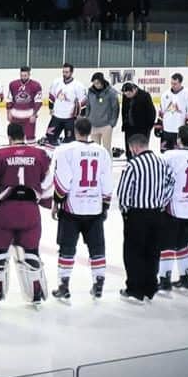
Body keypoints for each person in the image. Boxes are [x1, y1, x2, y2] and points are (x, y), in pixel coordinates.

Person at [0, 123, 53, 306]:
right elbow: (47, 185)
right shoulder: (40, 154)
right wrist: (45, 202)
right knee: (31, 253)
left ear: (8, 137)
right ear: (23, 135)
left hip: (4, 212)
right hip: (30, 212)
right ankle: (36, 290)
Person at [51, 117, 114, 300]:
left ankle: (64, 286)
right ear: (89, 131)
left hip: (72, 208)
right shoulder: (101, 151)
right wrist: (105, 205)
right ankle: (99, 283)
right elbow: (107, 182)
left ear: (76, 130)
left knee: (67, 248)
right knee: (97, 248)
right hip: (94, 208)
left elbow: (62, 182)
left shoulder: (65, 150)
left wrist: (57, 202)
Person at [117, 134, 174, 303]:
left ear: (133, 147)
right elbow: (171, 182)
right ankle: (150, 287)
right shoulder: (162, 162)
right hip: (157, 214)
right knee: (153, 251)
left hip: (137, 215)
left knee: (133, 252)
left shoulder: (133, 165)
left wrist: (126, 211)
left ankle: (135, 289)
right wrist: (162, 202)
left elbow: (123, 193)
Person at [157, 125, 188, 292]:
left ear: (178, 140)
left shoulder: (170, 155)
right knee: (183, 244)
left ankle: (164, 278)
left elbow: (160, 174)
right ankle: (186, 278)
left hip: (174, 205)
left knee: (167, 244)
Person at [45, 63, 87, 151]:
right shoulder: (56, 82)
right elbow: (51, 96)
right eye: (63, 72)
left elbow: (83, 102)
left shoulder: (78, 85)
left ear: (72, 72)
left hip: (70, 118)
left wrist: (81, 116)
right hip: (56, 116)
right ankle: (50, 159)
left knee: (70, 142)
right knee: (50, 138)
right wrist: (51, 108)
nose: (64, 74)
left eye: (67, 72)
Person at [156, 72, 188, 152]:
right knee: (165, 153)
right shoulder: (165, 94)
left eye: (175, 84)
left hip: (180, 132)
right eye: (171, 83)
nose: (173, 85)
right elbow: (161, 112)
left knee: (179, 154)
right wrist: (158, 126)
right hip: (166, 131)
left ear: (180, 83)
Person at [120, 82, 156, 160]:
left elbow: (151, 112)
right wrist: (124, 123)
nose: (127, 96)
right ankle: (130, 161)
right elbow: (124, 110)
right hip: (129, 127)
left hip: (142, 129)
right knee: (129, 148)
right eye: (125, 94)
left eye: (129, 94)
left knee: (141, 148)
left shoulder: (145, 96)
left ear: (134, 90)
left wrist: (149, 127)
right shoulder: (125, 96)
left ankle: (142, 162)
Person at [6, 66, 43, 143]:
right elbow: (9, 100)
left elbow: (38, 102)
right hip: (15, 116)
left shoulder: (36, 85)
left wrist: (34, 114)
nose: (23, 77)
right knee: (14, 137)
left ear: (29, 75)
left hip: (29, 116)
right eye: (21, 75)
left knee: (30, 138)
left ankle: (31, 154)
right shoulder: (13, 84)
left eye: (25, 75)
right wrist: (8, 113)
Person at [85, 72, 119, 152]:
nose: (95, 85)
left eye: (97, 83)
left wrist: (112, 124)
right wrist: (88, 119)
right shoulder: (90, 92)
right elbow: (88, 106)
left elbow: (115, 109)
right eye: (94, 83)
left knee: (106, 149)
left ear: (102, 81)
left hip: (106, 126)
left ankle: (108, 164)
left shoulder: (111, 92)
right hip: (93, 125)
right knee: (95, 150)